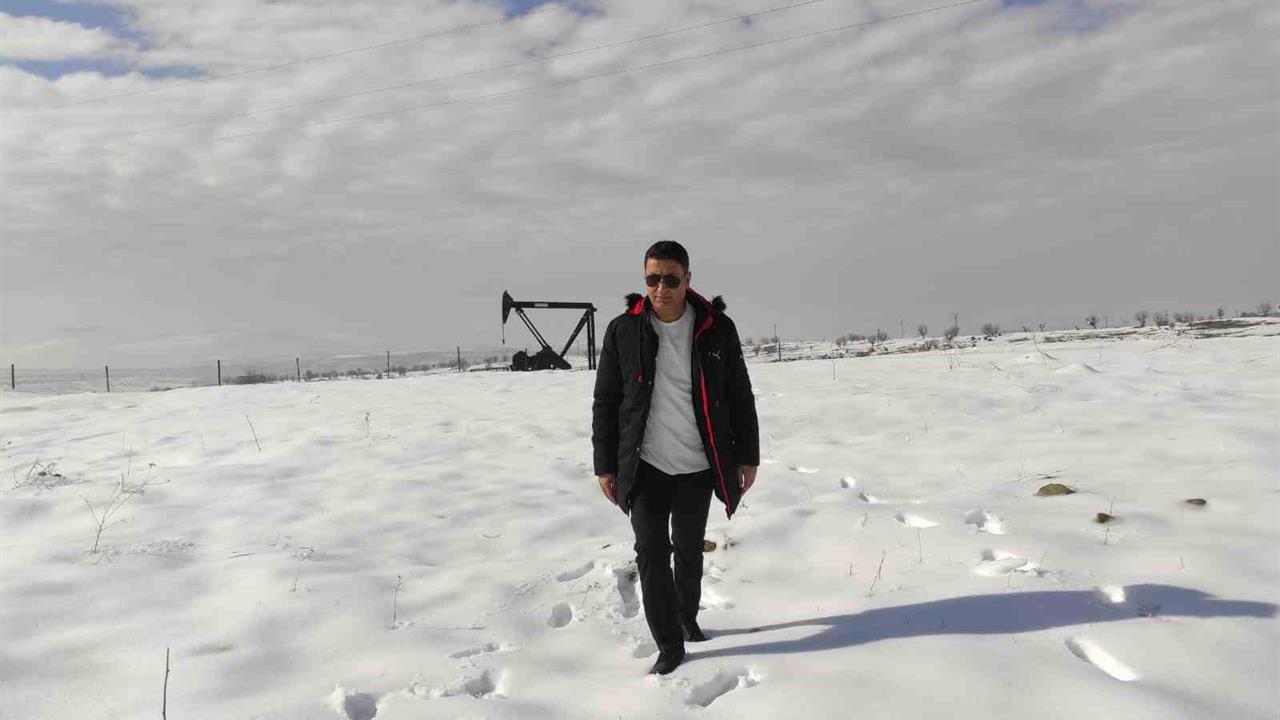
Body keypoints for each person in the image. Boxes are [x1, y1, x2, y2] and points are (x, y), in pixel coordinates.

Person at [592, 240, 760, 675]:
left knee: (688, 549)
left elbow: (739, 395)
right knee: (651, 552)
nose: (661, 288)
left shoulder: (716, 328)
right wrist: (604, 465)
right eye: (653, 279)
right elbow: (606, 400)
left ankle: (686, 617)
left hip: (698, 465)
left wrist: (748, 457)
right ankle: (669, 644)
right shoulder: (623, 330)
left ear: (688, 279)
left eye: (670, 279)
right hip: (644, 465)